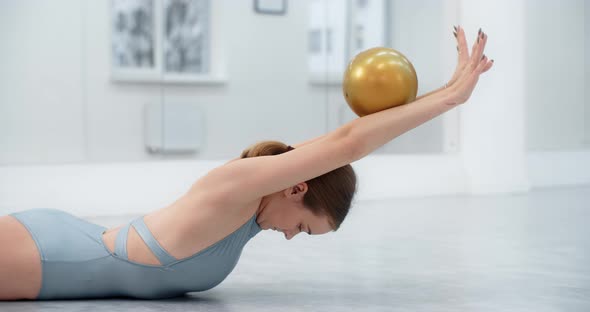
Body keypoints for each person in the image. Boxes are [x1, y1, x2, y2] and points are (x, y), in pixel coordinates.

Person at [0, 26, 493, 300]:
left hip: (68, 245)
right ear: (297, 188)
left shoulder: (253, 212)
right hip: (49, 255)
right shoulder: (238, 188)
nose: (291, 237)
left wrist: (446, 90)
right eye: (303, 228)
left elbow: (339, 145)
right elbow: (347, 143)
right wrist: (451, 101)